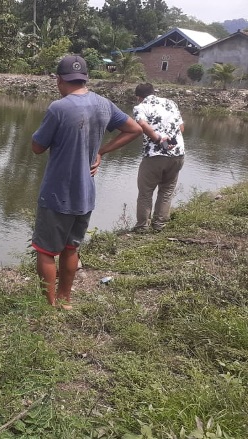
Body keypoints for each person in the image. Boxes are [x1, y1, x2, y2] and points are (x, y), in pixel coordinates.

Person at [30, 55, 142, 309]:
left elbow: (37, 147)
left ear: (59, 80)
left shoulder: (59, 107)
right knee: (71, 248)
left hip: (57, 193)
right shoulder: (103, 104)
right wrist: (102, 151)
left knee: (46, 251)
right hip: (85, 194)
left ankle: (49, 307)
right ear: (85, 78)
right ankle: (65, 300)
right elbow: (134, 129)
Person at [132, 83, 185, 232]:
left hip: (154, 155)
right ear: (153, 92)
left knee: (145, 191)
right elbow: (181, 128)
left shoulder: (141, 107)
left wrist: (157, 138)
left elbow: (141, 123)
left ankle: (142, 227)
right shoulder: (171, 103)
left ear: (138, 97)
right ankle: (159, 225)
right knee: (167, 190)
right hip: (177, 154)